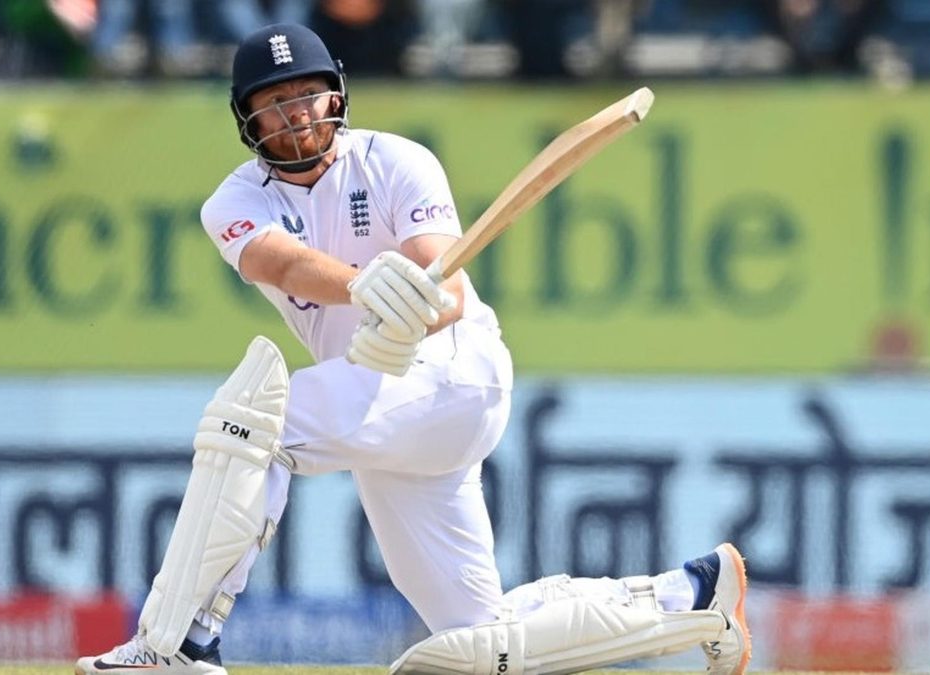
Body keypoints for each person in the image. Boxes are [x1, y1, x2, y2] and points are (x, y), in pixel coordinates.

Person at [76, 22, 751, 675]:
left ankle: (181, 642)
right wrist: (366, 288)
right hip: (379, 403)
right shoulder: (233, 200)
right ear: (246, 119)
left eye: (305, 93)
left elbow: (448, 286)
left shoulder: (396, 161)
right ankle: (692, 596)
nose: (295, 114)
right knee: (480, 640)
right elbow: (280, 264)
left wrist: (415, 312)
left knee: (255, 418)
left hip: (457, 375)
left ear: (335, 95)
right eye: (273, 103)